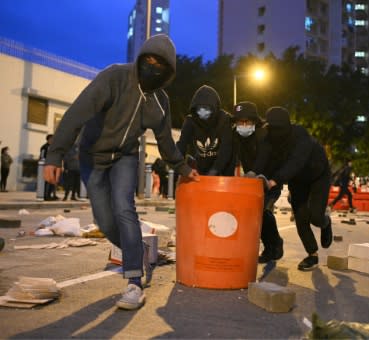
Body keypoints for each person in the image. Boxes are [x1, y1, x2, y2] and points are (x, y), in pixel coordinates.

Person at [44, 34, 199, 310]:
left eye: (159, 64)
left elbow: (166, 143)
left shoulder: (160, 101)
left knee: (124, 209)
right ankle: (135, 252)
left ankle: (133, 283)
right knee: (104, 220)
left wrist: (184, 168)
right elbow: (77, 113)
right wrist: (55, 155)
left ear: (168, 72)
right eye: (148, 60)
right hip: (92, 157)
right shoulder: (114, 78)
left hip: (125, 157)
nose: (152, 67)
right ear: (140, 59)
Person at [253, 106, 332, 271]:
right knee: (301, 218)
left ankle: (325, 223)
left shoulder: (300, 135)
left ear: (287, 125)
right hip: (297, 181)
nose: (275, 132)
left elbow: (296, 162)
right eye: (272, 128)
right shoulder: (269, 138)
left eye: (278, 128)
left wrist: (274, 180)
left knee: (315, 217)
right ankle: (312, 255)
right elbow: (263, 159)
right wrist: (254, 175)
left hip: (318, 176)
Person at [232, 101, 284, 263]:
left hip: (270, 181)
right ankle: (268, 248)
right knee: (253, 215)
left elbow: (263, 157)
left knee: (263, 211)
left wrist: (255, 172)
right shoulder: (236, 136)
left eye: (247, 121)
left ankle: (275, 244)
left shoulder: (263, 134)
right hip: (250, 184)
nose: (244, 125)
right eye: (240, 121)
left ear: (255, 121)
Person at [177, 85, 234, 176]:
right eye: (199, 108)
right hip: (199, 169)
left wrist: (215, 170)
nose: (202, 111)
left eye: (207, 108)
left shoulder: (224, 120)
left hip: (223, 171)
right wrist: (179, 165)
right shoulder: (190, 121)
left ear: (214, 108)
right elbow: (182, 145)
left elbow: (226, 148)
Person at [40, 134, 59, 200]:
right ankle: (46, 196)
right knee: (47, 182)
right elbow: (42, 157)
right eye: (52, 139)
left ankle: (51, 195)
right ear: (48, 139)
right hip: (47, 166)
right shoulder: (44, 147)